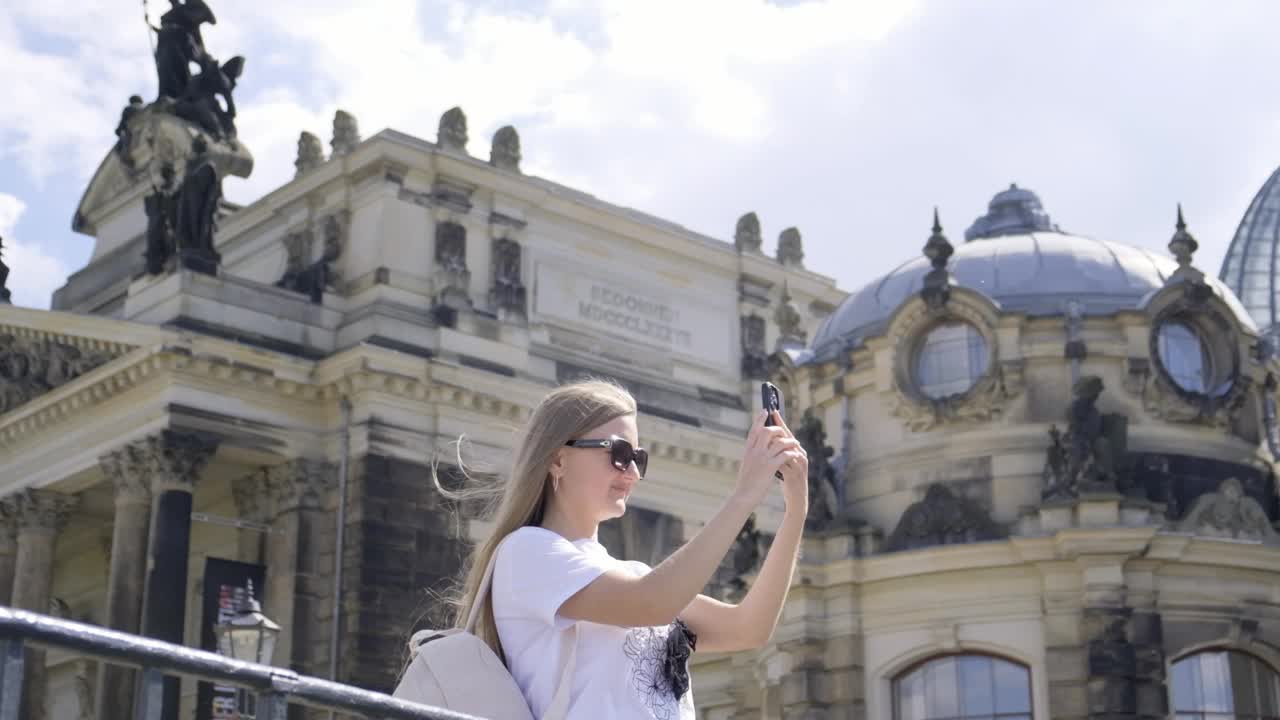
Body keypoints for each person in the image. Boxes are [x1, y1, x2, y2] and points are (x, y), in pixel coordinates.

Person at [433, 379, 809, 719]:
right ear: (558, 459)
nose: (631, 472)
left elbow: (749, 628)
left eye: (637, 459)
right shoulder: (526, 552)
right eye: (618, 453)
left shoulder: (631, 574)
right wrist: (744, 495)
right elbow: (652, 603)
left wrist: (796, 512)